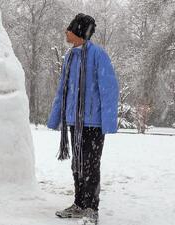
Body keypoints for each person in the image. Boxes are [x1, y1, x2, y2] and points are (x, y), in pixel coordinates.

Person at [47, 13, 119, 222]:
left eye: (69, 28)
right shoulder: (70, 56)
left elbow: (109, 89)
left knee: (90, 165)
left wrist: (108, 122)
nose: (66, 32)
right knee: (77, 164)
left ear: (79, 31)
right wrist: (55, 118)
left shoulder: (98, 55)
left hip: (93, 122)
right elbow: (63, 89)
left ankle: (91, 209)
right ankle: (79, 204)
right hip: (74, 122)